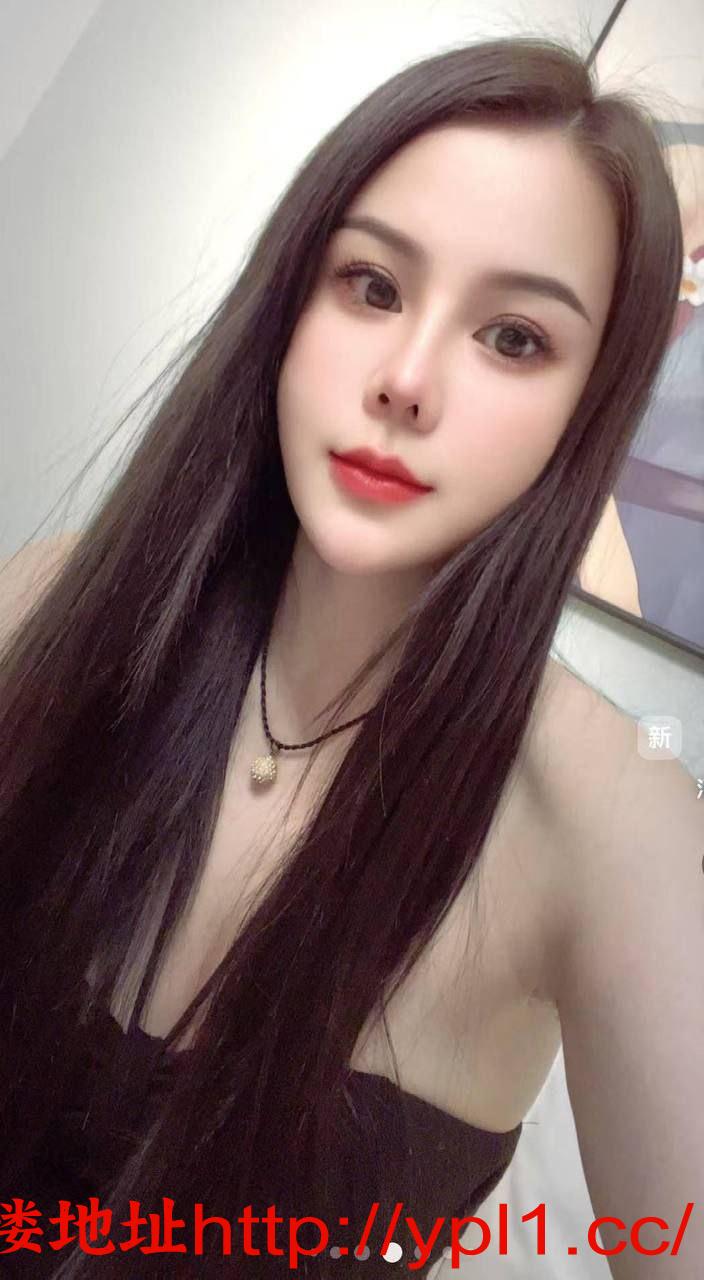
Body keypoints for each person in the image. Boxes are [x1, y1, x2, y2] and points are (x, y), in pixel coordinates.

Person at [0, 34, 701, 1280]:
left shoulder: (607, 815)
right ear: (288, 301)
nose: (406, 380)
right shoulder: (59, 600)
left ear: (586, 407)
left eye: (513, 338)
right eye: (371, 286)